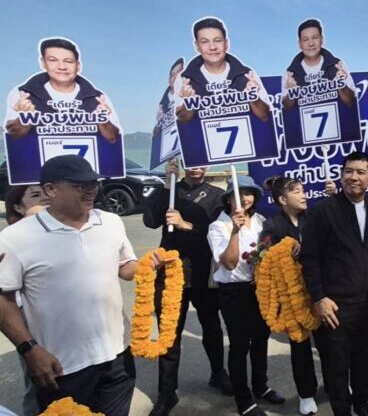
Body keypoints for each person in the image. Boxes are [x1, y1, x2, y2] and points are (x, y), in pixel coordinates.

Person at [0, 155, 168, 415]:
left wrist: (149, 265)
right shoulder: (15, 238)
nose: (91, 190)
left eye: (94, 183)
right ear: (50, 189)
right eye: (80, 185)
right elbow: (4, 301)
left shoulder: (110, 221)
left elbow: (125, 267)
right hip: (61, 366)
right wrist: (29, 350)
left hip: (117, 356)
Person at [300, 151, 368, 416]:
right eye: (349, 171)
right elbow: (310, 257)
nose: (353, 177)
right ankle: (342, 410)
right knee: (337, 364)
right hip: (335, 304)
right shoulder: (323, 211)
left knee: (362, 359)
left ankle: (362, 405)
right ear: (341, 175)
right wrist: (319, 298)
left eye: (360, 172)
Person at [142, 158, 231, 415]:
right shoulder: (171, 190)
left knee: (212, 328)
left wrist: (187, 225)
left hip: (203, 272)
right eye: (191, 161)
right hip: (171, 272)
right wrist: (165, 186)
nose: (196, 167)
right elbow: (150, 220)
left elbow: (220, 231)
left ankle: (218, 373)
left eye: (201, 162)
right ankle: (167, 392)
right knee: (169, 333)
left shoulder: (216, 196)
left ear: (208, 166)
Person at [207, 175, 285, 416]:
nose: (244, 199)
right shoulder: (218, 226)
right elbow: (229, 263)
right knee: (240, 345)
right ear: (228, 199)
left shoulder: (261, 221)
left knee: (261, 340)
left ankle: (260, 386)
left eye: (248, 193)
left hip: (260, 289)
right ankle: (243, 399)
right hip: (234, 292)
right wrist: (235, 231)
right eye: (238, 195)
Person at [259, 176, 321, 415]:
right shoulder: (273, 225)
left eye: (303, 190)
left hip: (318, 291)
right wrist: (283, 252)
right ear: (283, 199)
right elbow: (261, 256)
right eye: (297, 191)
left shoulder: (314, 218)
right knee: (300, 346)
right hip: (293, 297)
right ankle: (306, 394)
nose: (304, 195)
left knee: (329, 344)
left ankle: (336, 383)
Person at [5, 37, 120, 143]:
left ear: (78, 66)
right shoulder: (22, 94)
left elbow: (113, 138)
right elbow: (13, 135)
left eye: (68, 61)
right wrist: (24, 118)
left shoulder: (98, 98)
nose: (62, 66)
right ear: (43, 63)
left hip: (84, 159)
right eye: (53, 60)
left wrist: (104, 121)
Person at [3, 185, 50, 416]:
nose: (44, 198)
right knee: (41, 386)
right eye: (35, 195)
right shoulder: (11, 240)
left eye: (45, 192)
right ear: (19, 208)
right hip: (30, 325)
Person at [174, 17, 271, 124]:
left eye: (217, 40)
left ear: (226, 43)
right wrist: (188, 103)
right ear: (197, 46)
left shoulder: (247, 74)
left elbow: (265, 117)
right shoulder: (184, 79)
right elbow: (182, 121)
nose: (212, 47)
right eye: (204, 42)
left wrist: (254, 98)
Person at [281, 18, 356, 110]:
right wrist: (291, 92)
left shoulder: (338, 65)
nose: (311, 43)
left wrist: (341, 84)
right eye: (305, 39)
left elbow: (350, 102)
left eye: (315, 37)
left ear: (322, 39)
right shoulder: (289, 72)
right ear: (299, 44)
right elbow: (287, 108)